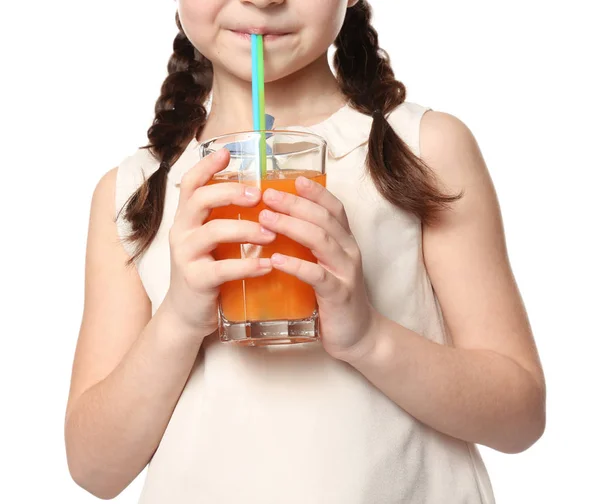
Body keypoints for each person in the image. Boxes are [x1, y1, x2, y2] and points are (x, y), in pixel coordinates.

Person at [64, 1, 546, 502]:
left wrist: (367, 337)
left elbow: (520, 418)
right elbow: (95, 469)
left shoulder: (421, 149)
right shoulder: (134, 192)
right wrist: (179, 320)